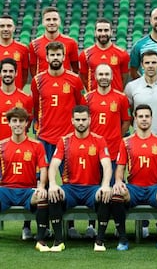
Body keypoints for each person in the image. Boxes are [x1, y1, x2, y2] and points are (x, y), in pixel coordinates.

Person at [31, 41, 85, 238]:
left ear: (64, 57)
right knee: (43, 185)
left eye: (58, 55)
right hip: (45, 139)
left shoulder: (74, 80)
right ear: (46, 58)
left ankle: (69, 227)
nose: (55, 58)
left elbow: (81, 107)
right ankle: (43, 229)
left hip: (67, 141)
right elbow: (36, 108)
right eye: (51, 55)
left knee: (69, 184)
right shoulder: (37, 80)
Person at [47, 105, 112, 252]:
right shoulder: (64, 141)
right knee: (53, 195)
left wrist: (106, 184)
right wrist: (52, 184)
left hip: (92, 188)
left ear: (89, 120)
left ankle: (99, 241)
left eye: (84, 119)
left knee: (105, 195)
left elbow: (107, 165)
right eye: (78, 120)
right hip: (70, 188)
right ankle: (58, 241)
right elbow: (53, 165)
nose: (81, 122)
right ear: (72, 121)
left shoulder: (99, 140)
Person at [111, 104, 157, 251]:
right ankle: (122, 239)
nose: (144, 119)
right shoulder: (126, 142)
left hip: (154, 189)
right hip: (134, 189)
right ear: (135, 119)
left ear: (152, 119)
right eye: (141, 116)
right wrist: (119, 182)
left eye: (147, 116)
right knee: (116, 194)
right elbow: (120, 168)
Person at [0, 107, 49, 251]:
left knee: (42, 197)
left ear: (26, 123)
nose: (18, 124)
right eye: (14, 121)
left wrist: (41, 187)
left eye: (21, 121)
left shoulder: (36, 145)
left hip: (28, 190)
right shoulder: (1, 145)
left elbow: (44, 169)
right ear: (8, 123)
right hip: (6, 190)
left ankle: (40, 239)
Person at [84, 63, 130, 183]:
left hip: (113, 149)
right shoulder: (87, 98)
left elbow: (126, 121)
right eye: (101, 74)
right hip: (92, 148)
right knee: (93, 186)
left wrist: (117, 136)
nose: (104, 77)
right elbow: (83, 122)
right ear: (95, 76)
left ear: (112, 77)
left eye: (106, 74)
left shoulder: (121, 98)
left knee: (114, 186)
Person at [79, 18, 129, 91]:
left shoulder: (122, 54)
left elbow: (124, 78)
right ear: (95, 32)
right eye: (100, 30)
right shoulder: (85, 54)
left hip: (115, 100)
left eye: (106, 30)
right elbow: (84, 78)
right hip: (94, 99)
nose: (103, 34)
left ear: (111, 32)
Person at [29, 6, 79, 76]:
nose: (52, 22)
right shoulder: (34, 44)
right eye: (48, 20)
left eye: (55, 19)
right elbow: (33, 68)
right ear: (43, 22)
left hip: (65, 85)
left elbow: (75, 68)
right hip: (44, 85)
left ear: (59, 21)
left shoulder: (71, 42)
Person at [0, 58, 33, 141]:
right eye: (5, 71)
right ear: (0, 73)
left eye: (11, 71)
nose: (8, 74)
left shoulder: (26, 98)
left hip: (16, 147)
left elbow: (27, 122)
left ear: (16, 73)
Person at [0, 15, 29, 88]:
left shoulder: (23, 49)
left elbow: (25, 74)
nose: (5, 29)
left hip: (16, 96)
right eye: (2, 26)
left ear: (14, 28)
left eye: (9, 26)